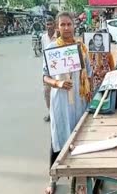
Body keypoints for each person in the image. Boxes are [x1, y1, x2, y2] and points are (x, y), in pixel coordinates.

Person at [43, 12, 93, 194]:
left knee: (80, 140)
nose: (66, 28)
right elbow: (45, 76)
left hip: (80, 101)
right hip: (61, 102)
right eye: (62, 25)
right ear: (57, 27)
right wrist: (58, 83)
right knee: (58, 139)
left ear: (74, 26)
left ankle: (81, 178)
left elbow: (88, 73)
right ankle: (53, 178)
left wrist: (91, 95)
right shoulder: (52, 49)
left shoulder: (82, 48)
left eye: (68, 24)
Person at [41, 16, 58, 122]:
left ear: (54, 25)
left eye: (51, 24)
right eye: (47, 24)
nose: (49, 26)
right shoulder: (43, 37)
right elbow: (44, 53)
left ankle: (58, 113)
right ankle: (50, 112)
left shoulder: (59, 36)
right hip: (47, 69)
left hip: (58, 68)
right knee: (47, 91)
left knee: (58, 91)